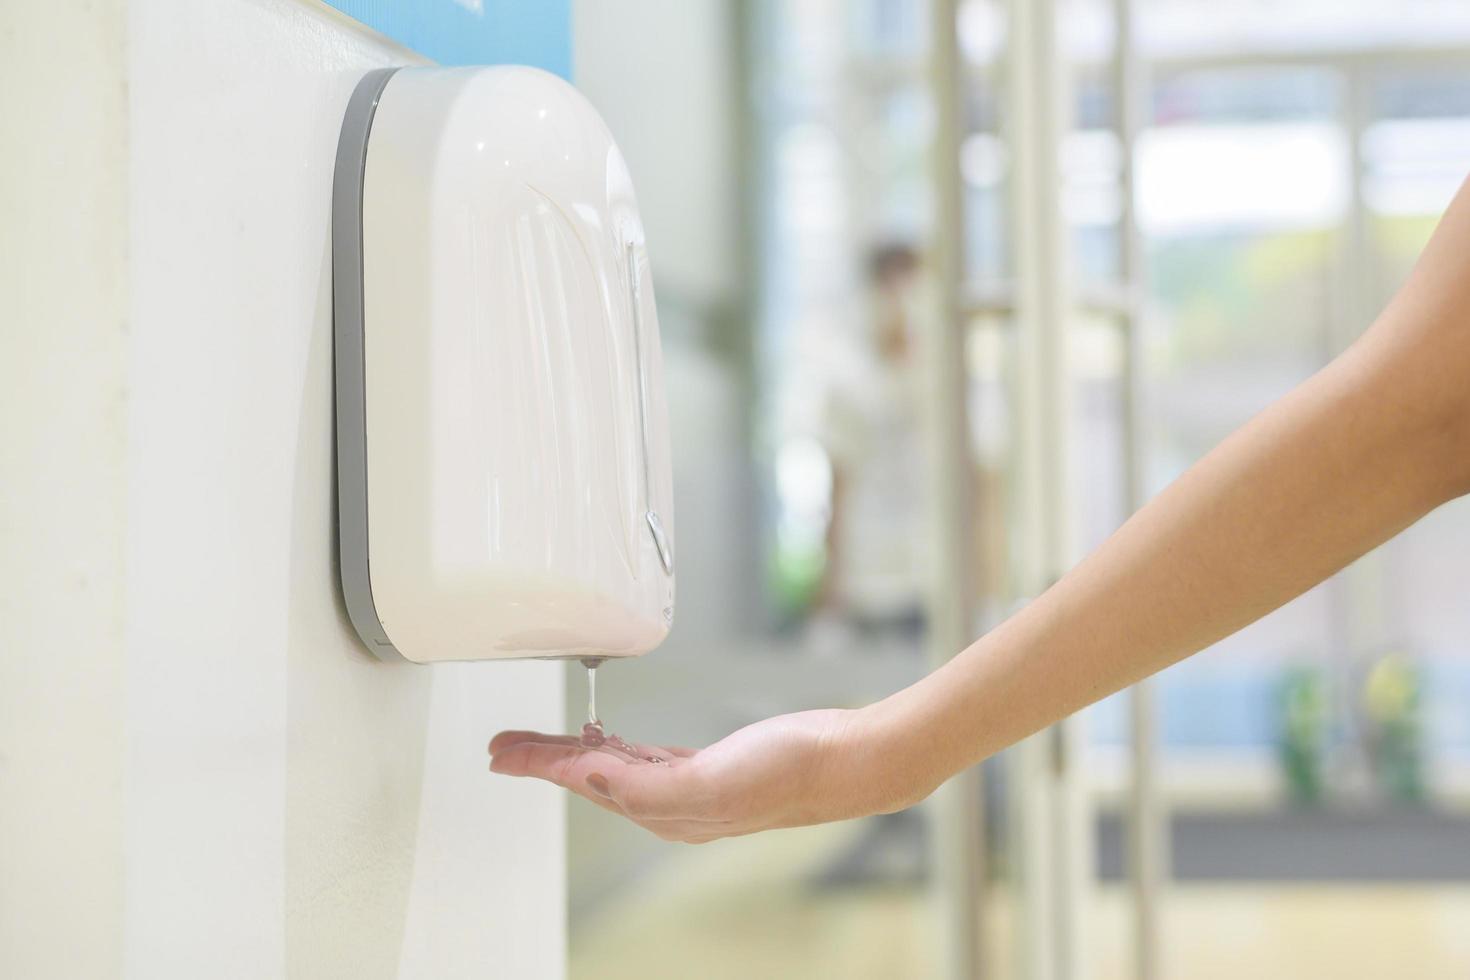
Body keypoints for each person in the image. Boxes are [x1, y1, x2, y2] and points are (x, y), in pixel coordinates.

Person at [487, 177, 1470, 846]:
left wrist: (885, 742)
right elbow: (1415, 416)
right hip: (884, 574)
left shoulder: (951, 381)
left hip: (943, 571)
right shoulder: (856, 380)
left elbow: (1416, 417)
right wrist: (870, 751)